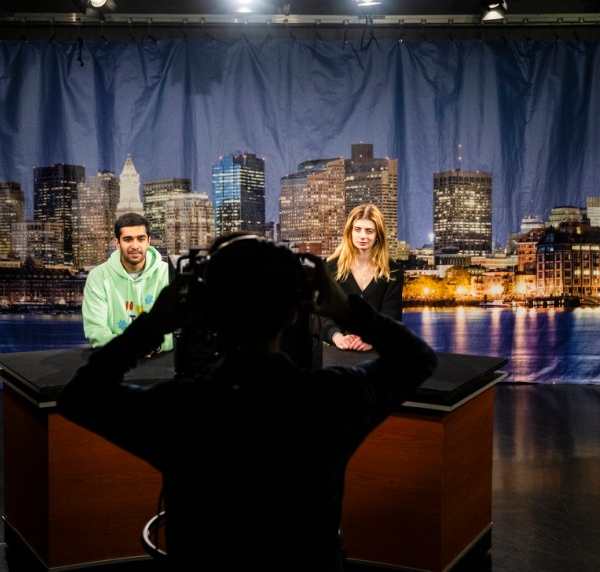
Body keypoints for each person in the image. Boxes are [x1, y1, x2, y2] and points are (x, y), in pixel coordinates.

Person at [57, 232, 437, 572]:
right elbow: (418, 359)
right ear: (294, 313)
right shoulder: (333, 398)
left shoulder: (179, 408)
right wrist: (347, 309)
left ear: (209, 315)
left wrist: (155, 323)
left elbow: (80, 395)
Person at [81, 212, 174, 355]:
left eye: (141, 239)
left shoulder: (167, 274)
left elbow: (177, 327)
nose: (135, 246)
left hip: (158, 361)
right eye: (128, 239)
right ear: (117, 243)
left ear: (148, 241)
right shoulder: (98, 277)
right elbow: (96, 330)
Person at [320, 203, 404, 352]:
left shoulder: (393, 271)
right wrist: (338, 337)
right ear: (349, 232)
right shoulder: (330, 268)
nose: (363, 236)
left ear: (378, 235)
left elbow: (391, 314)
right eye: (357, 230)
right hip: (339, 352)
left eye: (369, 231)